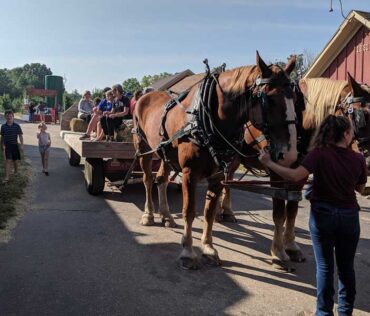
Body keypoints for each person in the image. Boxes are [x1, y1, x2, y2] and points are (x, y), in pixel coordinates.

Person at [259, 115, 367, 316]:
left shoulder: (318, 154)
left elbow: (293, 176)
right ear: (345, 135)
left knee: (325, 267)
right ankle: (345, 312)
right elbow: (360, 188)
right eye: (351, 131)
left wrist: (269, 163)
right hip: (349, 217)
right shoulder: (358, 158)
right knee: (346, 268)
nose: (353, 134)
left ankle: (324, 313)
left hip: (322, 217)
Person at [1, 110, 24, 183]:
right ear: (5, 117)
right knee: (8, 161)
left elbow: (20, 136)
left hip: (15, 145)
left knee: (16, 161)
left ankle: (16, 172)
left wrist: (22, 144)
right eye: (7, 116)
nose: (9, 117)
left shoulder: (17, 126)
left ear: (13, 117)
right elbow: (2, 136)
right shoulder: (3, 126)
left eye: (10, 116)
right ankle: (7, 177)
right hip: (7, 146)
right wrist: (2, 145)